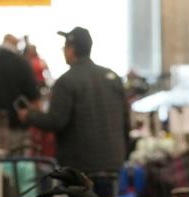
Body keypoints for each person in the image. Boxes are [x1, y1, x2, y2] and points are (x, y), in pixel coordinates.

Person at [19, 27, 129, 176]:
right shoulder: (112, 77)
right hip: (113, 163)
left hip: (80, 167)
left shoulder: (66, 81)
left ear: (71, 50)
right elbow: (126, 120)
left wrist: (30, 115)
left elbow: (56, 121)